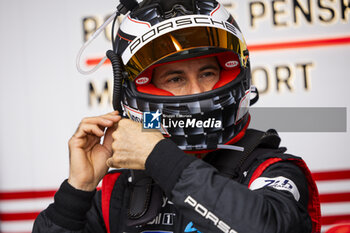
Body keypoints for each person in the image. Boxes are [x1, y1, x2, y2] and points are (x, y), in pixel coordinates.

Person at [33, 0, 321, 232]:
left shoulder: (273, 170)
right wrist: (77, 191)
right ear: (139, 92)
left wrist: (160, 159)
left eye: (208, 73)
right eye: (175, 79)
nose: (197, 91)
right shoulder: (118, 191)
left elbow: (265, 227)